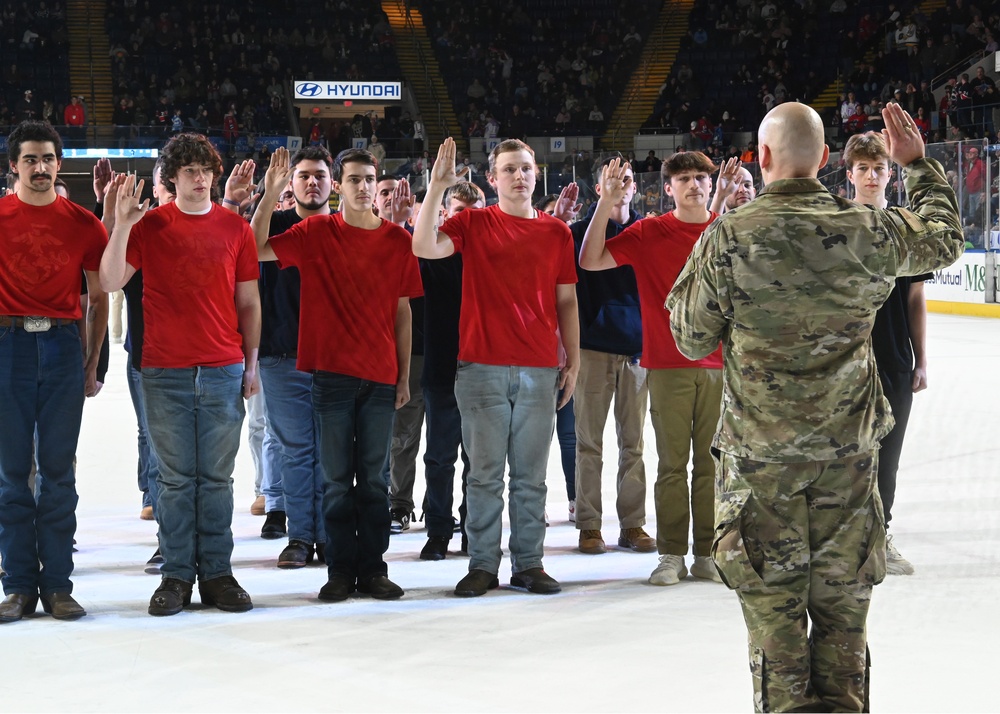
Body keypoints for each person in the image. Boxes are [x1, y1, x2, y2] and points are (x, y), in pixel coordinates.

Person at [665, 102, 963, 712]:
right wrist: (919, 167)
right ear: (827, 161)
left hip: (761, 471)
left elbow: (690, 338)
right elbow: (944, 240)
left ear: (763, 158)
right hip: (848, 465)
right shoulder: (864, 229)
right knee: (844, 631)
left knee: (777, 635)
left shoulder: (731, 235)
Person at [101, 133, 262, 617]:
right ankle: (175, 575)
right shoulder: (150, 227)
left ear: (214, 174)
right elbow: (109, 281)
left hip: (222, 367)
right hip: (164, 370)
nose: (197, 178)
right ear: (171, 178)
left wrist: (251, 364)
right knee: (173, 480)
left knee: (215, 479)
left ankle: (216, 573)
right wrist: (122, 226)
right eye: (188, 170)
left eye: (204, 170)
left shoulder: (236, 230)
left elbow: (249, 302)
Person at [253, 146, 421, 603]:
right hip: (331, 376)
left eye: (370, 179)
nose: (363, 187)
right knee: (334, 480)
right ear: (339, 186)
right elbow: (254, 249)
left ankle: (374, 568)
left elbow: (403, 312)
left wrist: (403, 376)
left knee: (372, 480)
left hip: (381, 377)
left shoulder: (397, 240)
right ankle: (340, 570)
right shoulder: (315, 231)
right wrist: (269, 195)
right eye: (354, 180)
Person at [413, 137, 579, 597]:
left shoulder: (556, 233)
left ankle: (529, 563)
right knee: (483, 474)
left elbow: (566, 298)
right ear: (493, 178)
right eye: (509, 169)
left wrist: (575, 358)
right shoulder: (474, 223)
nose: (519, 176)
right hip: (481, 366)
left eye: (526, 168)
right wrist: (435, 188)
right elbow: (424, 246)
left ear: (536, 173)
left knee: (530, 477)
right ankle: (483, 563)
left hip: (539, 367)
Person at [581, 151, 723, 586]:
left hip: (719, 366)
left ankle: (707, 553)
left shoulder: (724, 231)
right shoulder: (649, 232)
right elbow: (590, 259)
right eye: (684, 179)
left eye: (701, 177)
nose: (694, 185)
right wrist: (607, 201)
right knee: (672, 466)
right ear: (667, 188)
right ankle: (672, 554)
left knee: (713, 467)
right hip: (667, 364)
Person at [0, 121, 108, 624]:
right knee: (12, 473)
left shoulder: (85, 223)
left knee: (59, 472)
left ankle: (58, 585)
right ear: (13, 166)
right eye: (30, 160)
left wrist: (92, 359)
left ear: (59, 164)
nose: (40, 168)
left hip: (64, 345)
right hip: (8, 344)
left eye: (48, 159)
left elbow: (101, 295)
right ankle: (19, 585)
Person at [844, 131, 930, 576]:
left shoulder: (905, 229)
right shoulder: (837, 228)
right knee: (846, 459)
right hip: (843, 364)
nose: (872, 175)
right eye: (864, 168)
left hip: (893, 361)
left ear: (890, 173)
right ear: (850, 174)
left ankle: (881, 536)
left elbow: (915, 299)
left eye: (879, 168)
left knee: (887, 456)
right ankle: (845, 541)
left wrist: (921, 359)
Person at [254, 146, 333, 569]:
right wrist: (269, 193)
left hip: (336, 356)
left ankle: (329, 534)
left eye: (319, 175)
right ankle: (302, 536)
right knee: (297, 451)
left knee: (333, 452)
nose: (311, 182)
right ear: (292, 183)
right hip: (283, 355)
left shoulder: (343, 228)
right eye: (303, 176)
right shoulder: (278, 224)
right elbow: (249, 248)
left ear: (331, 183)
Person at [570, 157, 651, 555]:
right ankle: (588, 525)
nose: (621, 184)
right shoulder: (578, 234)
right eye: (612, 179)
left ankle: (633, 524)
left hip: (637, 351)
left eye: (627, 179)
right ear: (599, 187)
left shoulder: (646, 231)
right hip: (592, 349)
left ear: (636, 187)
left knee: (633, 444)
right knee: (589, 444)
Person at [417, 180, 484, 560]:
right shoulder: (433, 254)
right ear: (446, 215)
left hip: (484, 367)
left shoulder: (491, 253)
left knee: (480, 460)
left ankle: (473, 530)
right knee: (439, 457)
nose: (468, 220)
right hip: (443, 367)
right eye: (460, 213)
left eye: (475, 213)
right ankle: (439, 530)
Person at [374, 175, 425, 534]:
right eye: (385, 193)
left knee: (410, 436)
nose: (393, 198)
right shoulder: (364, 236)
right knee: (384, 439)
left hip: (419, 350)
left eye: (398, 192)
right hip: (374, 352)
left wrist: (401, 225)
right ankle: (385, 502)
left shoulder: (418, 240)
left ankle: (403, 504)